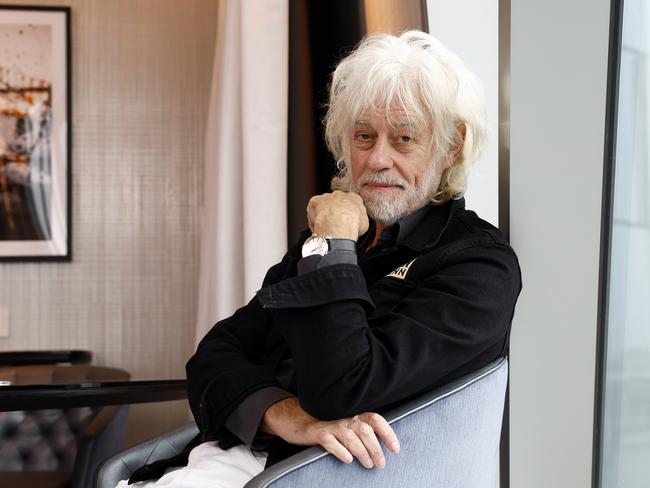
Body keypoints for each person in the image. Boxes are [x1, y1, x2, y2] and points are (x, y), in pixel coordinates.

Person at [120, 30, 521, 488]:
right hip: (223, 460)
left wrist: (332, 246)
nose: (377, 159)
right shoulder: (329, 240)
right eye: (364, 137)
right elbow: (212, 356)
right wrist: (283, 415)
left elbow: (344, 387)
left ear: (451, 146)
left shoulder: (477, 266)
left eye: (404, 138)